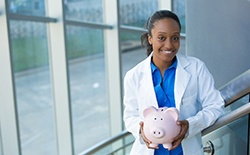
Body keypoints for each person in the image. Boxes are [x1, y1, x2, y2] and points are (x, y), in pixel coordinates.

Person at [123, 10, 225, 155]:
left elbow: (216, 105)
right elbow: (130, 115)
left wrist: (190, 125)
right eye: (161, 38)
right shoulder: (133, 76)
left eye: (175, 38)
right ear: (150, 38)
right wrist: (141, 130)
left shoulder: (196, 68)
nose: (169, 45)